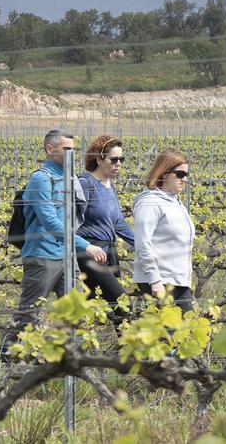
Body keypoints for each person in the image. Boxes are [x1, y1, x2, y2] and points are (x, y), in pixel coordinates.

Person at [1, 129, 106, 352]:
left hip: (67, 256)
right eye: (66, 149)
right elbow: (50, 222)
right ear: (50, 149)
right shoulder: (40, 179)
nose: (71, 154)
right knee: (29, 312)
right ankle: (3, 355)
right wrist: (85, 245)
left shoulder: (69, 178)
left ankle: (75, 358)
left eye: (73, 150)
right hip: (43, 255)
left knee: (75, 310)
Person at [132, 149, 196, 311]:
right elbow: (143, 243)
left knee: (184, 326)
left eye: (186, 174)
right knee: (169, 327)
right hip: (160, 281)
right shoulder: (150, 203)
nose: (185, 179)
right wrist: (154, 280)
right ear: (164, 173)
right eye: (180, 174)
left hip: (178, 280)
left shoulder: (175, 202)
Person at [76, 135, 132, 319]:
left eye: (121, 159)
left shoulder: (109, 185)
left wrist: (142, 244)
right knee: (123, 304)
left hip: (107, 254)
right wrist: (85, 246)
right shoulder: (86, 184)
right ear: (99, 159)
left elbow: (118, 222)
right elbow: (68, 222)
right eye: (114, 159)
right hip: (89, 255)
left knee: (94, 311)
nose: (119, 164)